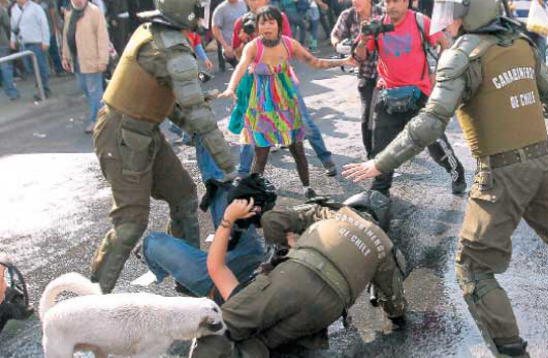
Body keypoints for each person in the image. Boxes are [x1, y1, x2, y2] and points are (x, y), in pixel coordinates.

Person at [343, 0, 548, 356]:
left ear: (466, 12)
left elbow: (430, 122)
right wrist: (517, 107)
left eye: (452, 13)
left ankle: (511, 351)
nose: (447, 23)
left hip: (501, 172)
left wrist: (380, 162)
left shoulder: (462, 56)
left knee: (472, 269)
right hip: (542, 161)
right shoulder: (520, 43)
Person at [90, 0, 237, 293]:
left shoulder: (150, 31)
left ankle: (188, 275)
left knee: (182, 195)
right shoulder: (170, 47)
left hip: (142, 130)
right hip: (123, 135)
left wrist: (193, 124)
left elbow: (167, 100)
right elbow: (199, 116)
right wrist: (231, 168)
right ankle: (90, 298)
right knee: (131, 221)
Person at [190, 190, 407, 357]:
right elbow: (394, 301)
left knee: (219, 328)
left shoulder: (332, 212)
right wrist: (397, 318)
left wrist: (284, 250)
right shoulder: (384, 247)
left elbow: (272, 220)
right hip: (329, 308)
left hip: (294, 278)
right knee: (261, 344)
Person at [218, 6, 352, 199]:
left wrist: (344, 61)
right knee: (262, 152)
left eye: (271, 22)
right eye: (263, 22)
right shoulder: (253, 46)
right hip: (262, 104)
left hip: (286, 101)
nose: (267, 26)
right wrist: (231, 87)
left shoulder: (289, 44)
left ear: (279, 26)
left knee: (296, 147)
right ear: (257, 27)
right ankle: (256, 193)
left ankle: (307, 188)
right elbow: (241, 67)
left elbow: (314, 62)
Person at [353, 0, 466, 196]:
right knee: (381, 149)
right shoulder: (377, 25)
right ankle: (380, 192)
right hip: (387, 94)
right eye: (388, 2)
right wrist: (363, 40)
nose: (392, 6)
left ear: (406, 2)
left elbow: (445, 44)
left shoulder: (421, 22)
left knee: (436, 144)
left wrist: (438, 72)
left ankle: (457, 174)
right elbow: (360, 57)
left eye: (396, 1)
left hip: (419, 94)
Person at [143, 174, 273, 300]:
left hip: (218, 283)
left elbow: (216, 267)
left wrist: (229, 219)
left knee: (152, 241)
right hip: (253, 259)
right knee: (224, 188)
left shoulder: (248, 307)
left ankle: (180, 279)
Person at [331, 0, 385, 158]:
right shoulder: (348, 16)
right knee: (367, 116)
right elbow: (335, 35)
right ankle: (372, 155)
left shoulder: (384, 12)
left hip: (390, 74)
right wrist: (338, 45)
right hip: (366, 73)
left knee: (391, 114)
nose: (356, 1)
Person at [61, 0, 109, 134]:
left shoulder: (94, 12)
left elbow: (102, 37)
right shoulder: (69, 12)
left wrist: (103, 59)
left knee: (94, 91)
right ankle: (105, 111)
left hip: (92, 59)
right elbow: (66, 35)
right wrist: (65, 56)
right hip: (77, 60)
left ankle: (97, 121)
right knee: (84, 87)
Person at [10, 0, 51, 100]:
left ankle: (44, 89)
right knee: (30, 69)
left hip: (36, 42)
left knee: (41, 68)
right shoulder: (14, 9)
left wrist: (45, 41)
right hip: (23, 44)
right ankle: (39, 87)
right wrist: (12, 40)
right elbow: (14, 27)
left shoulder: (36, 8)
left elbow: (44, 24)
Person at [211, 0, 246, 70]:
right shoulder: (220, 9)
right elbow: (215, 28)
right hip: (231, 48)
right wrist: (225, 46)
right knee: (242, 71)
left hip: (245, 44)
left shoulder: (244, 3)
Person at [0, 2, 20, 100]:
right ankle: (12, 92)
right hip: (2, 41)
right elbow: (7, 24)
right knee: (6, 67)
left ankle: (8, 89)